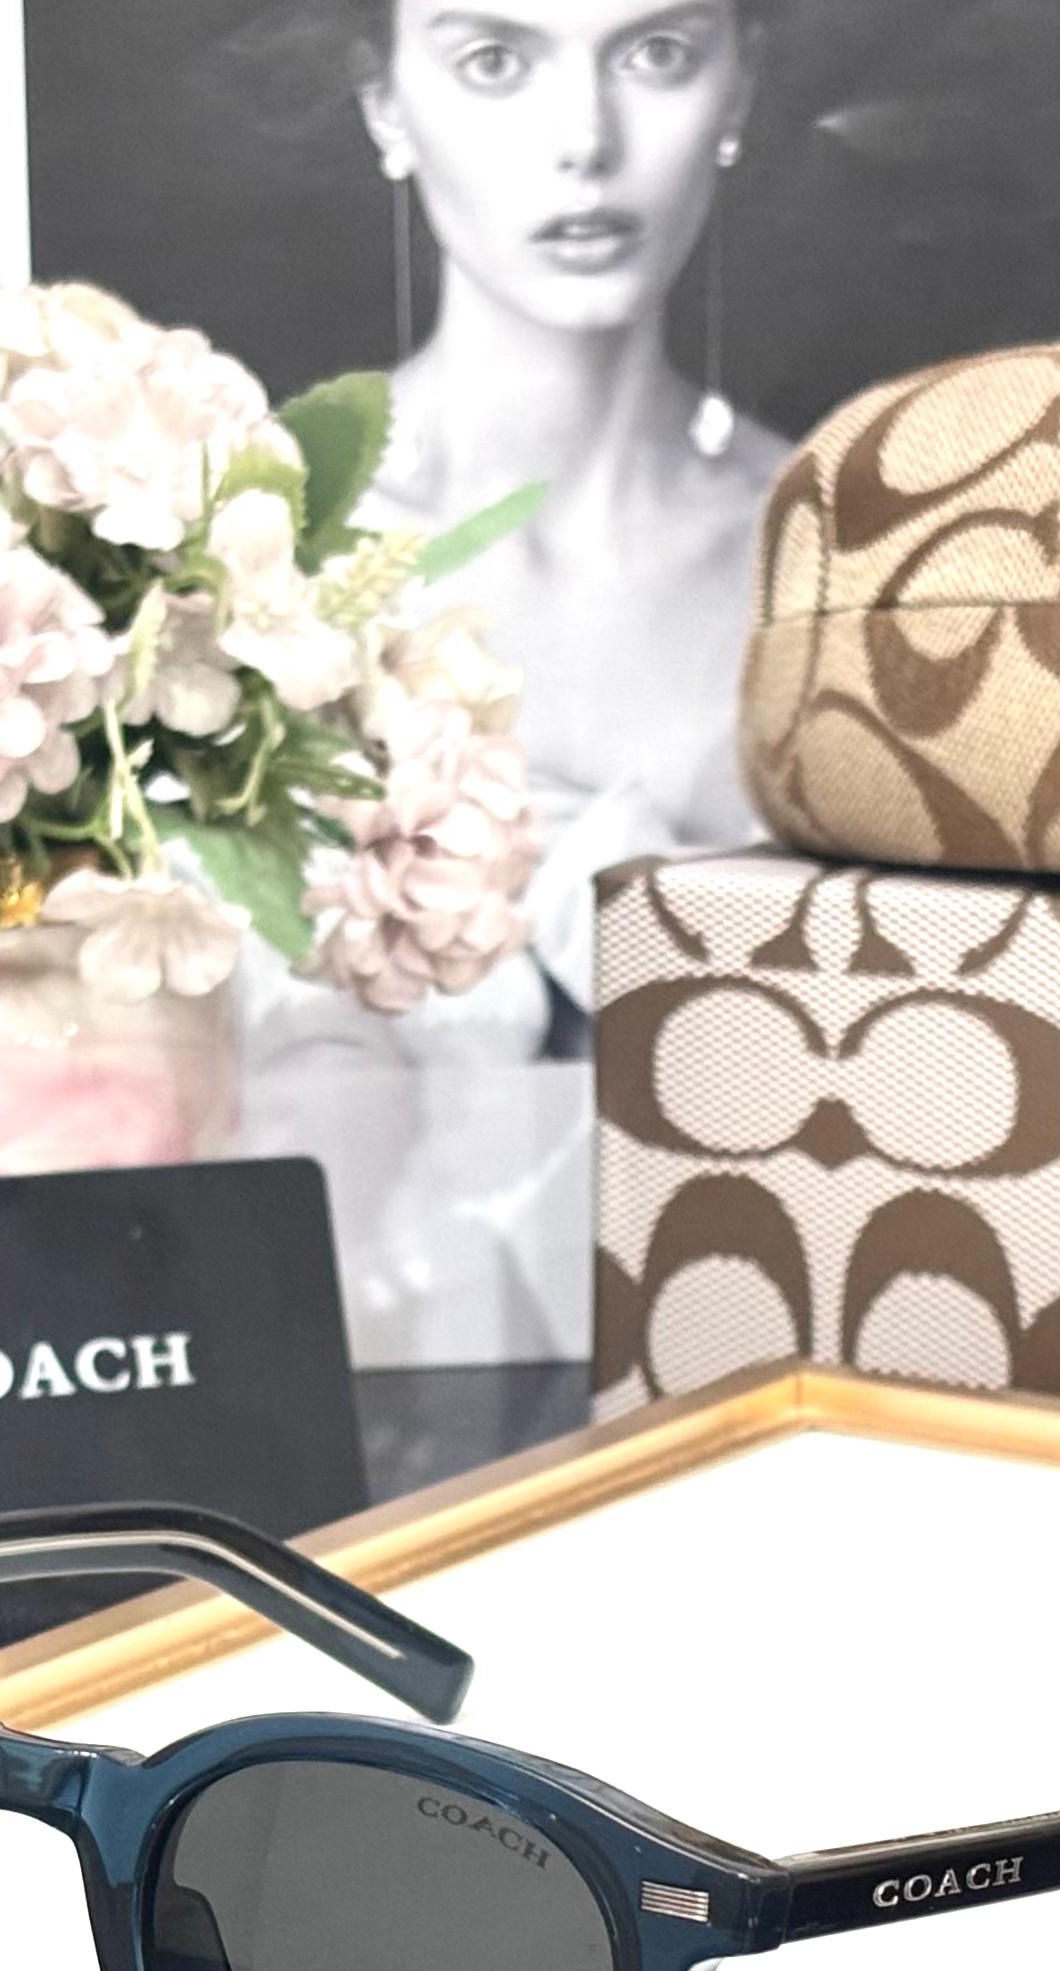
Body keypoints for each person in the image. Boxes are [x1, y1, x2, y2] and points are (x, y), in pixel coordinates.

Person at [237, 0, 786, 1362]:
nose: (583, 141)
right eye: (495, 61)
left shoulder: (839, 562)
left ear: (739, 88)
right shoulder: (246, 547)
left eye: (655, 55)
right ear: (384, 103)